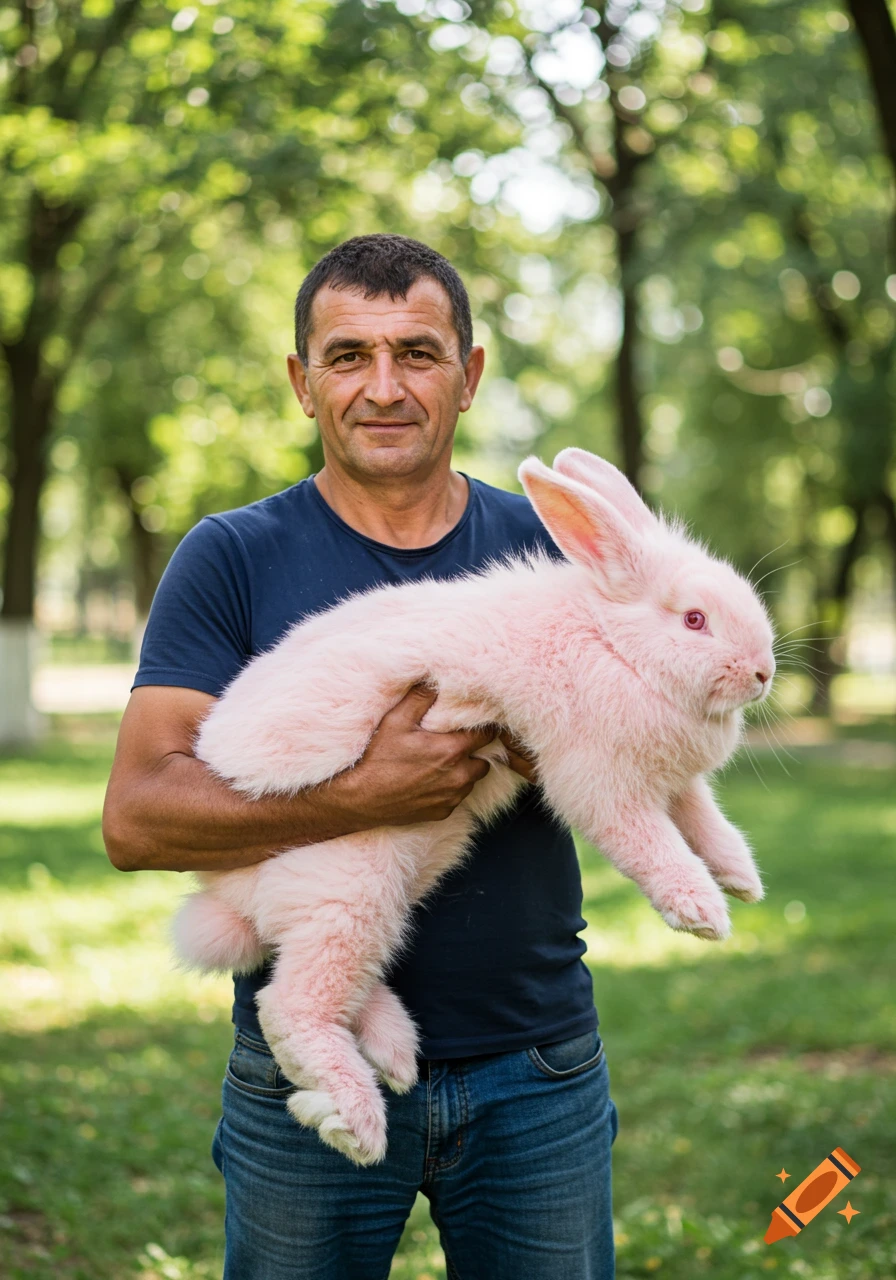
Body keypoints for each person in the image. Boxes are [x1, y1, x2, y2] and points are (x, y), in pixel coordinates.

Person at [103, 233, 619, 1279]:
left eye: (417, 353)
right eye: (348, 356)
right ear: (302, 382)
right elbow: (138, 816)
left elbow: (661, 721)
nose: (382, 387)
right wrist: (363, 791)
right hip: (306, 1042)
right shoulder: (231, 555)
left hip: (537, 1064)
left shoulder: (552, 555)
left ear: (468, 376)